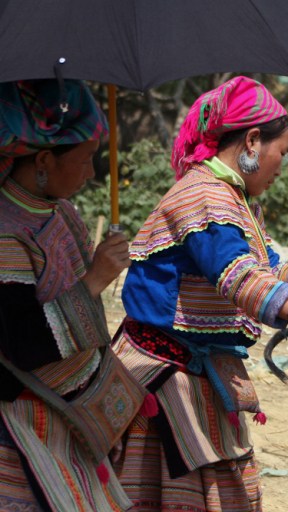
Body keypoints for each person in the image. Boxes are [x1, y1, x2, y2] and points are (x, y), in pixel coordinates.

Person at [111, 76, 288, 511]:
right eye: (283, 153)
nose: (281, 166)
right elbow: (236, 276)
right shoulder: (204, 196)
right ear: (253, 141)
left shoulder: (233, 200)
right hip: (165, 378)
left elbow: (263, 273)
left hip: (197, 371)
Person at [0, 79, 146, 511]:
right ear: (44, 160)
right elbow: (22, 343)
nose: (91, 173)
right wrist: (95, 279)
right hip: (20, 420)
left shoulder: (61, 211)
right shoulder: (6, 231)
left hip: (67, 416)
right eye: (85, 159)